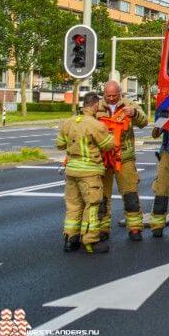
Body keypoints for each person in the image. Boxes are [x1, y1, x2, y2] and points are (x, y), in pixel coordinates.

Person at [55, 92, 114, 254]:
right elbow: (108, 145)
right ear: (95, 105)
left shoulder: (68, 122)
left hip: (72, 170)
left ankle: (70, 239)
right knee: (93, 205)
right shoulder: (95, 125)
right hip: (89, 172)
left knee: (73, 206)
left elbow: (59, 144)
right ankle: (90, 241)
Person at [96, 80, 148, 241]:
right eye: (108, 95)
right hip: (103, 157)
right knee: (102, 197)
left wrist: (135, 114)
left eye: (114, 95)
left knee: (130, 194)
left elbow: (144, 121)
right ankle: (102, 228)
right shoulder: (97, 107)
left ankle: (134, 228)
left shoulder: (129, 104)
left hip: (124, 157)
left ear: (120, 93)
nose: (111, 98)